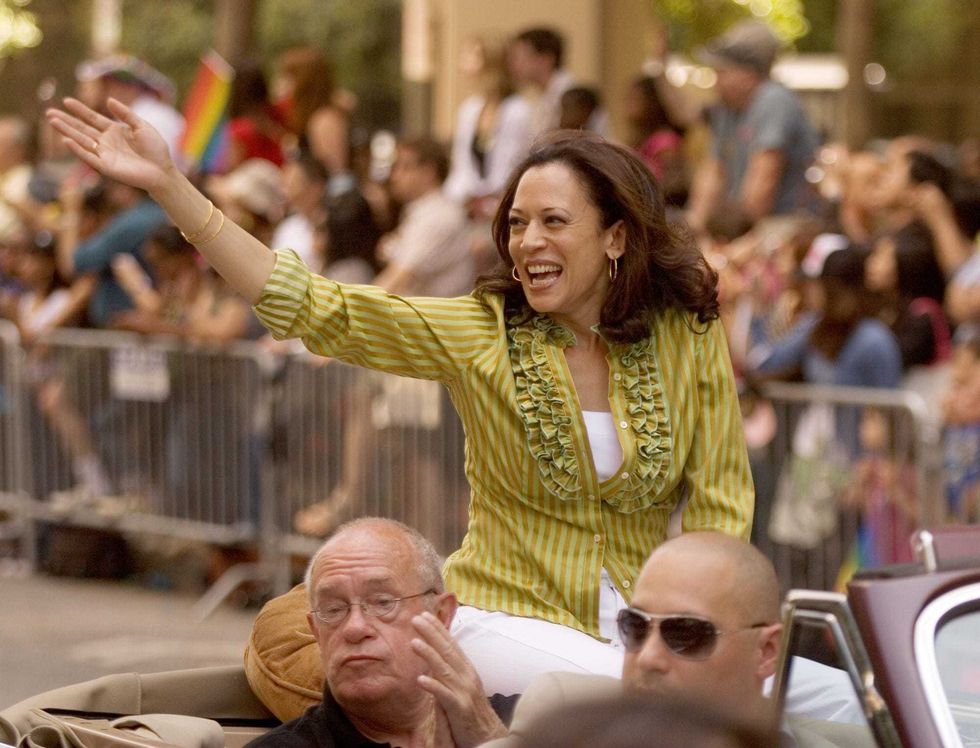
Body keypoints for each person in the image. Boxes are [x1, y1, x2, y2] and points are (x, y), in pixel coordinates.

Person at [46, 100, 753, 704]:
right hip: (503, 620)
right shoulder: (481, 331)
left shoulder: (686, 333)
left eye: (553, 222)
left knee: (830, 702)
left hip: (646, 627)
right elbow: (311, 306)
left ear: (617, 237)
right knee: (636, 701)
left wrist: (719, 632)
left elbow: (724, 511)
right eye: (514, 223)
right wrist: (171, 186)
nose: (527, 241)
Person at [483, 533, 874, 748]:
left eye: (685, 634)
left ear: (767, 651)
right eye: (634, 628)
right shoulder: (571, 726)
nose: (648, 657)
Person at [244, 517, 512, 747]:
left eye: (383, 603)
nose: (355, 628)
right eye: (334, 610)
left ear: (440, 616)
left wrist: (490, 739)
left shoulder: (528, 722)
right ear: (316, 632)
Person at [687, 21, 818, 232]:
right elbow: (713, 171)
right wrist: (694, 230)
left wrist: (735, 236)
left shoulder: (774, 100)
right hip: (744, 223)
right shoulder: (727, 108)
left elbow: (764, 181)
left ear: (748, 74)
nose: (715, 79)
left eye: (722, 71)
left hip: (783, 224)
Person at [507, 28, 609, 138]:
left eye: (520, 57)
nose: (513, 64)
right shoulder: (542, 96)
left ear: (546, 59)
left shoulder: (572, 97)